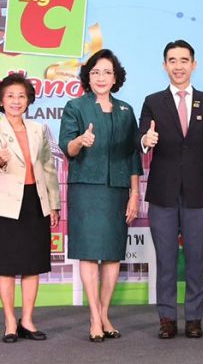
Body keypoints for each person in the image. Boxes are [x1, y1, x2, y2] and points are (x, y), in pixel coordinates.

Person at [139, 39, 203, 339]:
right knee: (165, 259)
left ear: (194, 64)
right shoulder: (153, 101)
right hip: (162, 194)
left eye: (184, 60)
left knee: (196, 259)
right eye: (172, 60)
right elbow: (142, 135)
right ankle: (166, 318)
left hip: (199, 195)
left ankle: (194, 318)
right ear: (165, 65)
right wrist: (146, 141)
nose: (178, 66)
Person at [59, 49, 142, 342]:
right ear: (88, 77)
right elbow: (67, 148)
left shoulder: (126, 110)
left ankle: (104, 314)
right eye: (95, 72)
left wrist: (134, 194)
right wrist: (81, 140)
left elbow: (133, 156)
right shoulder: (75, 107)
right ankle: (94, 317)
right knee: (88, 252)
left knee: (112, 254)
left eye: (107, 72)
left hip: (117, 190)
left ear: (116, 77)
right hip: (86, 188)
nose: (101, 78)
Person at [0, 73, 60, 343]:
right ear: (2, 101)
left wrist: (54, 204)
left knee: (32, 264)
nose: (16, 101)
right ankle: (10, 322)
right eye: (10, 96)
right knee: (6, 266)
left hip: (35, 202)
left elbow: (48, 168)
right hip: (5, 205)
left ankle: (27, 320)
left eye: (21, 96)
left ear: (28, 100)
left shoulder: (38, 129)